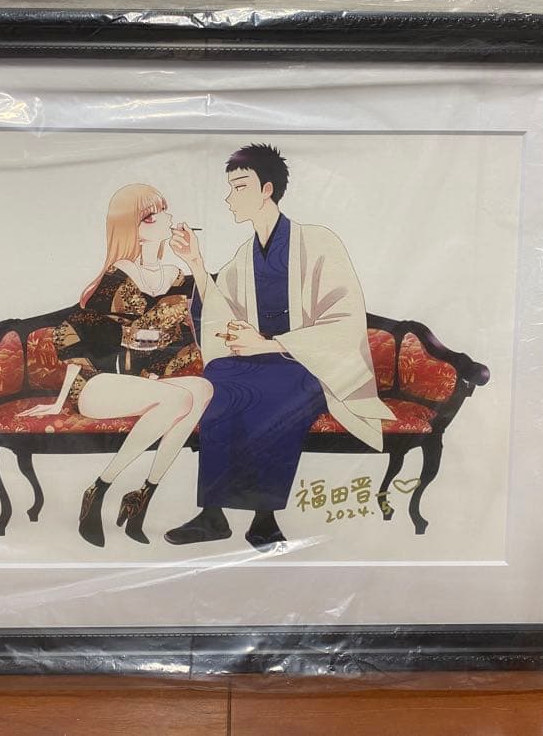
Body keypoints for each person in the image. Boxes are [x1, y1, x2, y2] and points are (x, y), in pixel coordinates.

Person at [166, 144, 394, 552]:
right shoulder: (244, 256)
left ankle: (264, 518)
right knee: (220, 380)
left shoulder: (318, 242)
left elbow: (344, 319)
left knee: (276, 393)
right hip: (260, 362)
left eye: (240, 186)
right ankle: (213, 514)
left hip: (310, 365)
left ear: (267, 189)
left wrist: (270, 344)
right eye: (230, 188)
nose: (229, 197)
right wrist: (196, 264)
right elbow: (221, 310)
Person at [20, 184, 213, 547]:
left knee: (202, 389)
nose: (167, 217)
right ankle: (99, 487)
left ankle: (143, 495)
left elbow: (210, 312)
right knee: (178, 399)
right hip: (98, 385)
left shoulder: (175, 276)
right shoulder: (116, 277)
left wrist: (196, 262)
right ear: (133, 229)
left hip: (141, 384)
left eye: (164, 210)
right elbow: (69, 335)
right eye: (153, 215)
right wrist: (59, 402)